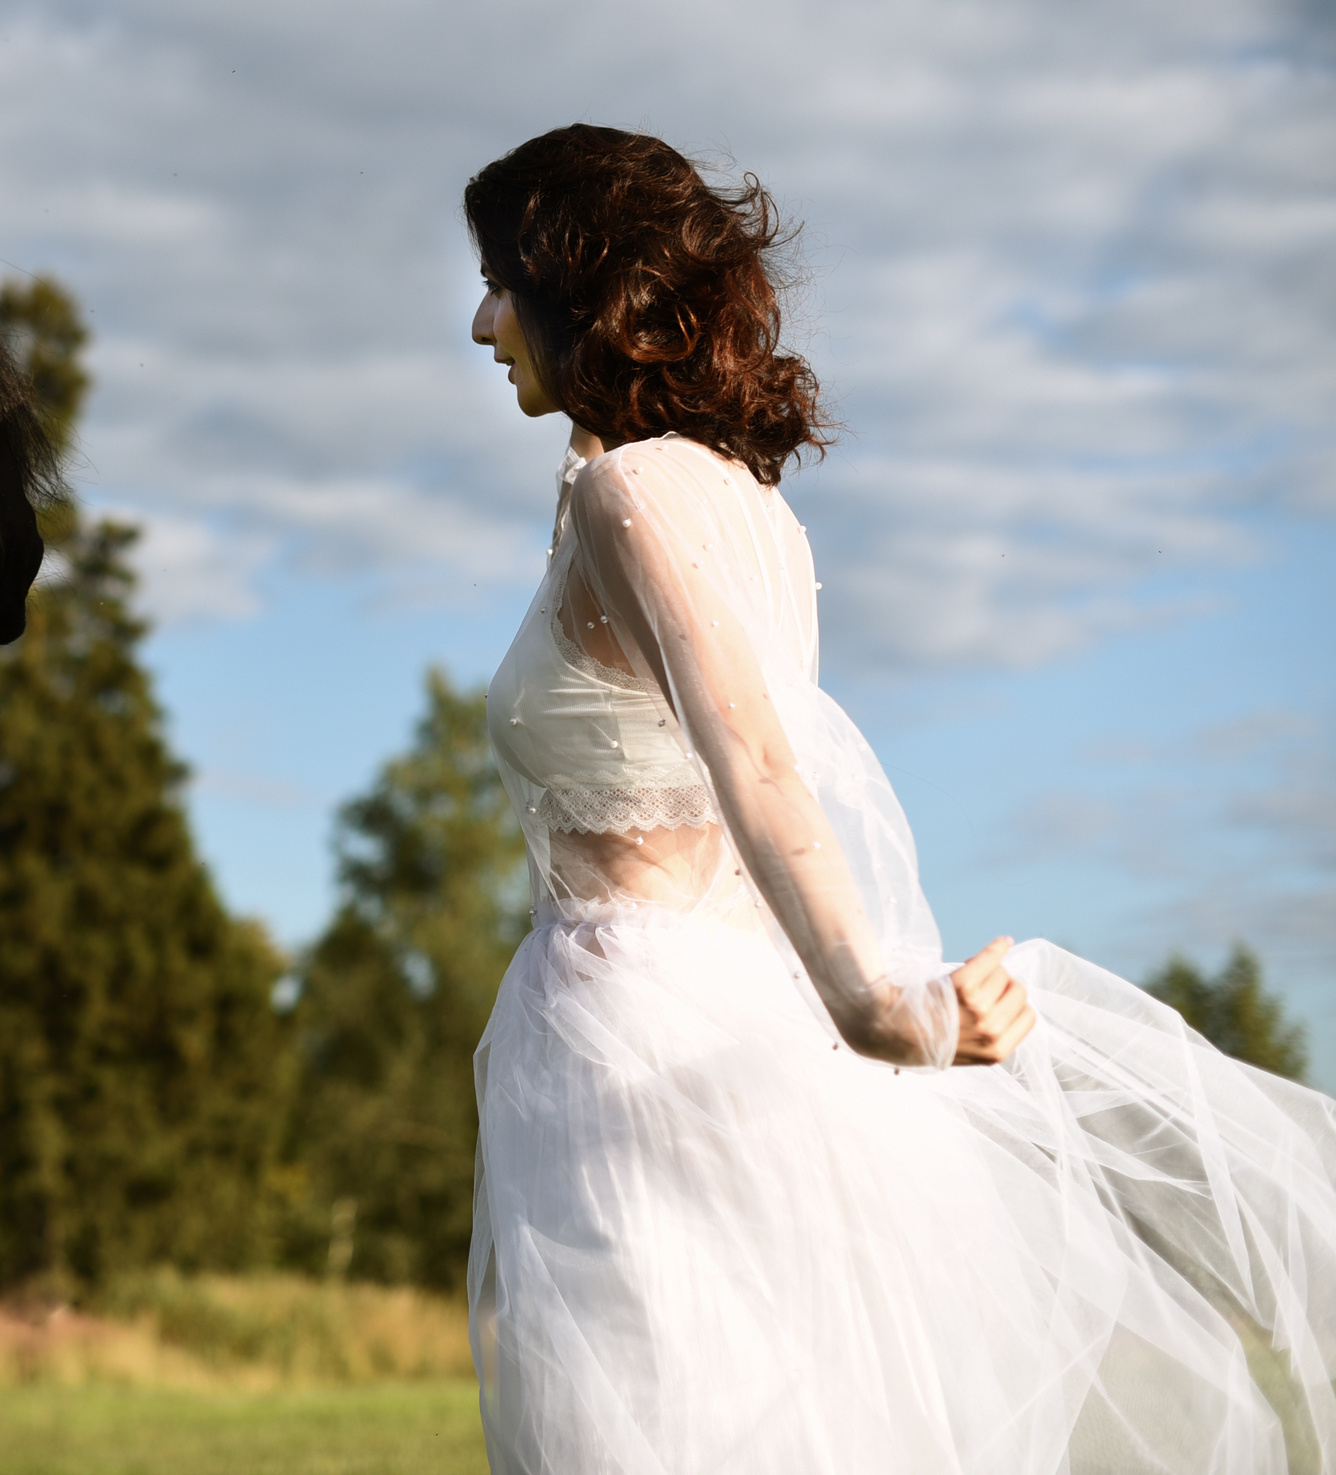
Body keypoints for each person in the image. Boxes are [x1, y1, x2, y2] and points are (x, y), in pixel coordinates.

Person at [462, 123, 1336, 1474]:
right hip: (734, 1027)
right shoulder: (754, 510)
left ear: (582, 295)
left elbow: (756, 766)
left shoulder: (628, 500)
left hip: (636, 1042)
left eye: (499, 284)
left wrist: (874, 1003)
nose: (479, 324)